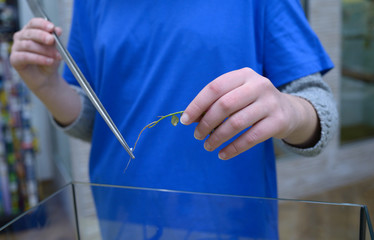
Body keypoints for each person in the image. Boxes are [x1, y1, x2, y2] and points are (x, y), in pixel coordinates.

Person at [10, 0, 338, 238]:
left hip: (231, 223)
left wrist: (289, 111)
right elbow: (98, 122)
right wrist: (49, 87)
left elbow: (318, 104)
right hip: (125, 219)